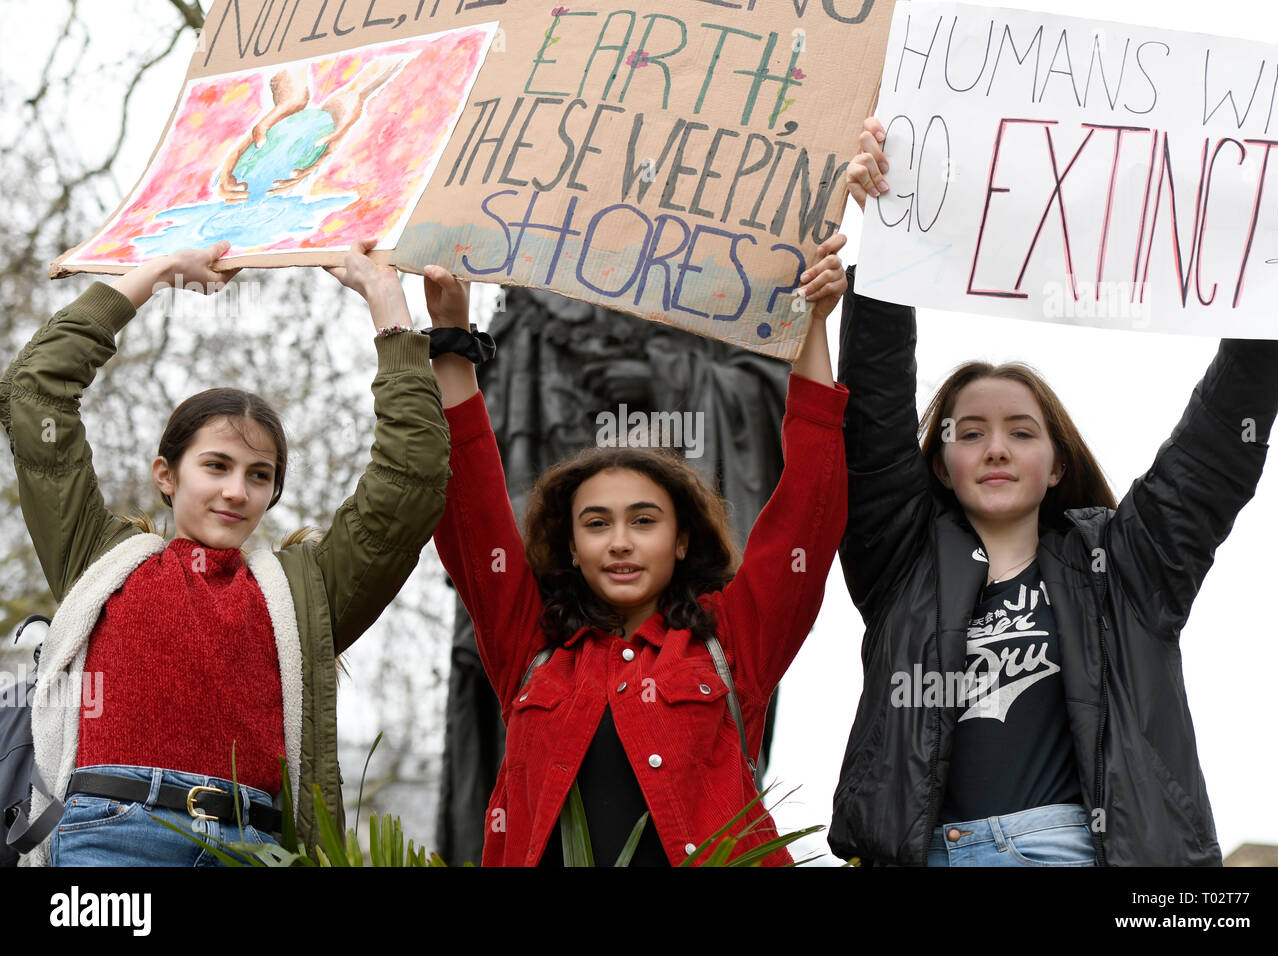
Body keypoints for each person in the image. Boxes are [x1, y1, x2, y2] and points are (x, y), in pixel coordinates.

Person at [830, 117, 1278, 866]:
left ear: (1057, 464)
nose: (994, 448)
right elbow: (875, 410)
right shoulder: (901, 565)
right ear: (942, 460)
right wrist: (886, 235)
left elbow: (1213, 452)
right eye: (970, 431)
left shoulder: (1130, 571)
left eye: (1021, 431)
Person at [0, 238, 450, 865]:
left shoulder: (302, 594)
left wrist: (387, 303)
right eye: (216, 465)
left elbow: (411, 478)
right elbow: (35, 394)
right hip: (110, 837)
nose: (236, 491)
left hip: (254, 847)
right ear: (166, 473)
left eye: (259, 475)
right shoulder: (98, 558)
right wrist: (150, 275)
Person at [425, 238, 850, 865]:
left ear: (682, 539)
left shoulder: (733, 642)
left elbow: (808, 511)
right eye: (597, 524)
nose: (620, 541)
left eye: (643, 521)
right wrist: (452, 339)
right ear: (570, 546)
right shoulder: (531, 650)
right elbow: (472, 512)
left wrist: (813, 324)